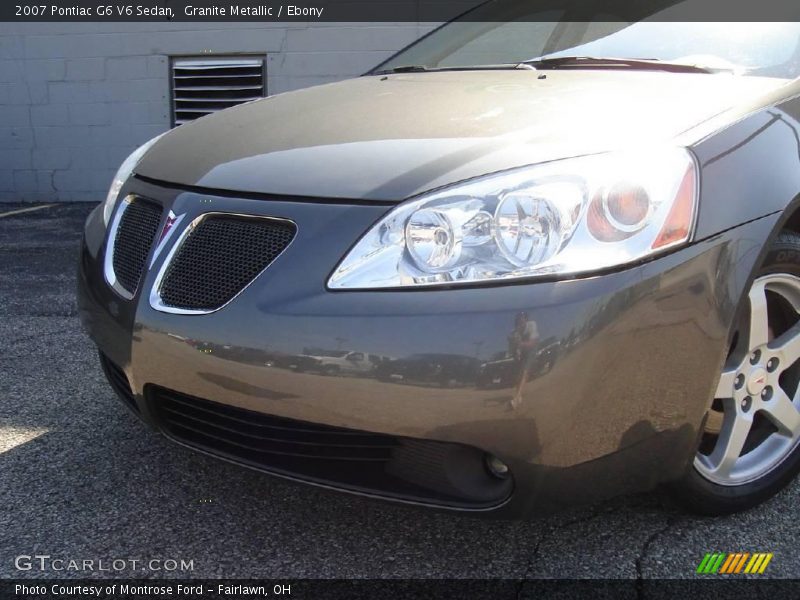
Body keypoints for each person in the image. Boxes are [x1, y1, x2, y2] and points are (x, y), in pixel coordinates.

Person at [509, 311, 539, 409]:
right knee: (519, 374)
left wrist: (519, 344)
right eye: (518, 321)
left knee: (524, 372)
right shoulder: (515, 332)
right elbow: (513, 348)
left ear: (526, 319)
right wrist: (516, 352)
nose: (521, 322)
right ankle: (519, 394)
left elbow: (532, 343)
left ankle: (517, 398)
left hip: (531, 349)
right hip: (522, 351)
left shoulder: (532, 325)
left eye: (523, 319)